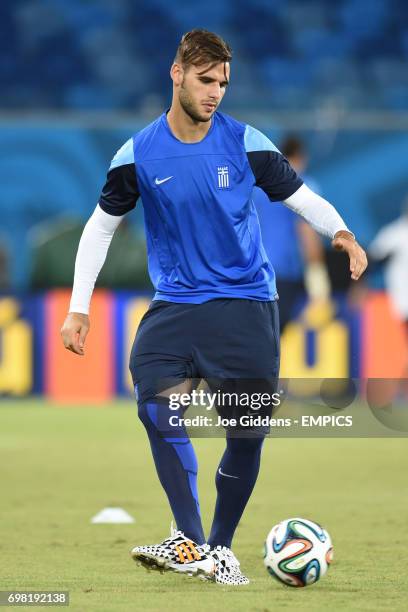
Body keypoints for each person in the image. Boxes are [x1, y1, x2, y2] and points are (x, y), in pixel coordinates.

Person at [61, 29, 367, 586]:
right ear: (176, 74)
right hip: (175, 307)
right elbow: (100, 228)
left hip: (247, 307)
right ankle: (192, 539)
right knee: (156, 408)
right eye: (205, 81)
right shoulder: (137, 155)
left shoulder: (245, 142)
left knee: (245, 434)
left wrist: (341, 232)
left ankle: (219, 547)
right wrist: (78, 307)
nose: (215, 93)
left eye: (223, 83)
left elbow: (299, 195)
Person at [254, 136, 331, 332]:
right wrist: (318, 283)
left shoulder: (259, 186)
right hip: (284, 273)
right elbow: (307, 234)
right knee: (273, 335)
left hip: (254, 271)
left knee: (257, 334)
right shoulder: (302, 185)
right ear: (301, 157)